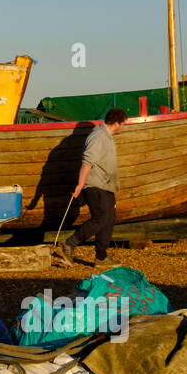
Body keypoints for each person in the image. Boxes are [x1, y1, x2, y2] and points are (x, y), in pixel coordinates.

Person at [57, 107, 127, 267]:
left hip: (106, 185)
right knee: (101, 218)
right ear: (116, 123)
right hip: (95, 184)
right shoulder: (98, 136)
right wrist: (80, 186)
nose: (123, 127)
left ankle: (101, 257)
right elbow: (87, 162)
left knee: (109, 219)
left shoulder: (107, 137)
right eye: (123, 124)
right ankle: (69, 243)